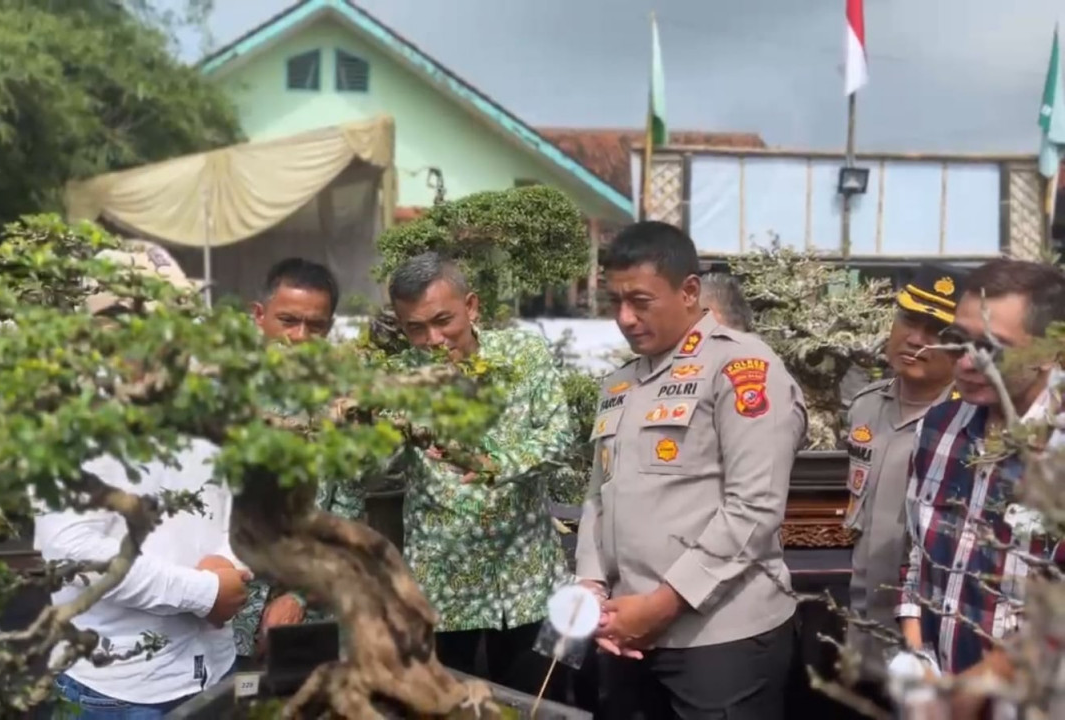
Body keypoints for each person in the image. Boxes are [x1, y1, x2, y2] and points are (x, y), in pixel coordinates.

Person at [577, 221, 807, 720]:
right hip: (628, 634)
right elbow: (599, 496)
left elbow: (754, 508)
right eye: (614, 302)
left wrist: (664, 603)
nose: (625, 318)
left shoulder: (743, 367)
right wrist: (592, 586)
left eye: (640, 301)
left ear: (688, 291)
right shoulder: (619, 384)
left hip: (721, 638)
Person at [35, 241, 251, 719]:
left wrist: (228, 563)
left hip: (212, 668)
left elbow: (226, 503)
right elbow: (72, 551)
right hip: (118, 687)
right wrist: (204, 593)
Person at [387, 251, 574, 697]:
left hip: (528, 583)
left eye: (443, 320)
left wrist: (500, 465)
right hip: (442, 588)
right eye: (415, 328)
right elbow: (373, 465)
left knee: (537, 706)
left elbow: (561, 436)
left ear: (471, 307)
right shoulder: (396, 382)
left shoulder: (523, 354)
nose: (432, 338)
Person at [896, 258, 1065, 713]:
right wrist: (919, 660)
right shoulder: (938, 426)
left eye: (994, 347)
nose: (968, 362)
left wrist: (983, 684)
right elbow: (918, 561)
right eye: (959, 339)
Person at [235, 257, 365, 662]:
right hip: (223, 609)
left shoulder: (342, 403)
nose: (299, 337)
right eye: (287, 321)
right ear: (259, 316)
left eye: (316, 326)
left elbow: (348, 512)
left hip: (310, 611)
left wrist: (299, 596)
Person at [842, 265, 962, 694]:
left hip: (930, 647)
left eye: (936, 330)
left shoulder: (970, 425)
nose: (915, 339)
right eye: (909, 320)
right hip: (861, 639)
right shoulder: (864, 407)